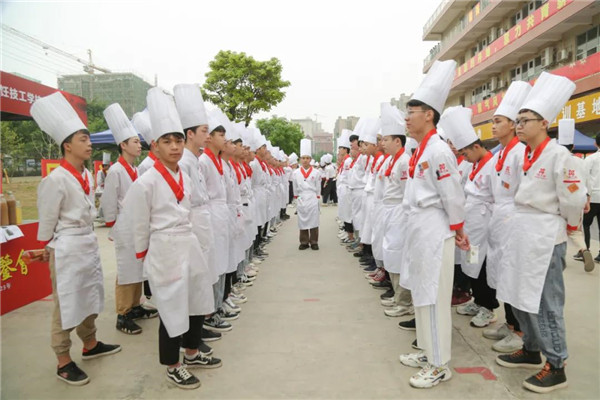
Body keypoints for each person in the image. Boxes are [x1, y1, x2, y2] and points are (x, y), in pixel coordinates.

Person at [495, 72, 585, 393]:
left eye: (525, 120)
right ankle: (531, 348)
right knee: (519, 294)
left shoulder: (560, 156)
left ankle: (557, 364)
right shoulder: (523, 154)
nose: (518, 125)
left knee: (547, 302)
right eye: (517, 120)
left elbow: (573, 200)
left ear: (544, 123)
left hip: (546, 235)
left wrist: (571, 227)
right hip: (523, 232)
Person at [126, 87, 215, 389]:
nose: (175, 147)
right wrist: (145, 265)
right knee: (171, 307)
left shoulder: (184, 176)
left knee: (197, 298)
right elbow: (139, 226)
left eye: (178, 140)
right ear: (155, 145)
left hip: (188, 243)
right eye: (167, 141)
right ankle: (172, 365)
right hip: (164, 248)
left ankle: (192, 352)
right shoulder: (146, 182)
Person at [31, 92, 121, 386]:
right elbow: (47, 219)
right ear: (67, 145)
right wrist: (46, 247)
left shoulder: (87, 176)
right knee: (66, 302)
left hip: (87, 243)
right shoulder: (55, 179)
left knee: (89, 295)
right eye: (83, 139)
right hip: (67, 247)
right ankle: (63, 360)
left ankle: (90, 344)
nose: (89, 144)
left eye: (89, 139)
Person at [397, 60, 468, 388]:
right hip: (420, 228)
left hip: (435, 230)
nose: (407, 118)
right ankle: (427, 351)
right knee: (422, 293)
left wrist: (459, 229)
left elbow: (452, 195)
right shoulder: (421, 150)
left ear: (429, 115)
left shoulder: (439, 151)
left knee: (435, 297)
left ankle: (440, 364)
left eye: (412, 112)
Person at [174, 83, 225, 357]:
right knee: (193, 284)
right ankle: (190, 339)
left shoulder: (193, 160)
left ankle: (198, 331)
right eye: (204, 131)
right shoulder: (184, 162)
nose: (207, 135)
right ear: (190, 134)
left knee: (202, 281)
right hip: (193, 226)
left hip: (203, 224)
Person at [101, 103, 157, 336]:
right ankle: (123, 313)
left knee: (137, 267)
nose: (139, 145)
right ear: (123, 145)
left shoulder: (134, 169)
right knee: (126, 269)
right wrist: (114, 225)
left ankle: (135, 305)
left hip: (136, 224)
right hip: (125, 226)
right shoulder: (116, 170)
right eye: (134, 141)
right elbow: (108, 201)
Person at [483, 80, 530, 354]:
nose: (493, 125)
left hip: (513, 219)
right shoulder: (500, 153)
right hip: (499, 218)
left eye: (498, 121)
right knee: (500, 274)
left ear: (513, 125)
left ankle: (520, 331)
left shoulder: (520, 153)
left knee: (512, 276)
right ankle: (509, 323)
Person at [441, 107, 498, 329]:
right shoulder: (475, 164)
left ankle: (488, 307)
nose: (463, 158)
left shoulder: (492, 165)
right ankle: (478, 300)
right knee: (471, 264)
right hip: (472, 225)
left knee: (483, 267)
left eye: (465, 153)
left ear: (476, 146)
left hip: (484, 226)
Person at [377, 102, 412, 317]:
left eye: (386, 140)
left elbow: (407, 193)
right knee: (390, 253)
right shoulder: (392, 160)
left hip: (400, 212)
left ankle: (404, 301)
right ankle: (398, 295)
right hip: (390, 212)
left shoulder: (404, 162)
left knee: (399, 255)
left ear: (397, 141)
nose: (382, 143)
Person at [292, 139, 321, 250]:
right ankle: (304, 242)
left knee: (314, 220)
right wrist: (296, 197)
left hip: (312, 197)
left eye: (307, 158)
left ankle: (314, 241)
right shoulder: (296, 173)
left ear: (310, 159)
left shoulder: (316, 172)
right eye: (303, 158)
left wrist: (317, 197)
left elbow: (318, 186)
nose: (305, 160)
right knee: (302, 220)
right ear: (300, 159)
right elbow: (294, 186)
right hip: (302, 197)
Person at [582, 133, 600, 265]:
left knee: (585, 224)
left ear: (595, 143)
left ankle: (585, 250)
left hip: (593, 197)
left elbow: (585, 178)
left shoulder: (591, 159)